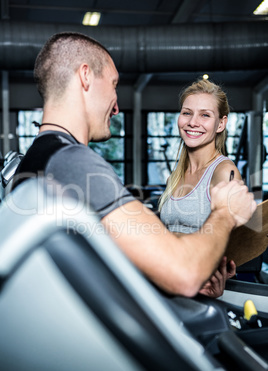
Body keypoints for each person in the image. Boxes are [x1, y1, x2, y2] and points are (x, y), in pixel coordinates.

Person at [12, 32, 256, 299]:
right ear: (85, 76)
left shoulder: (35, 158)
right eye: (114, 84)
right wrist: (224, 214)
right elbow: (183, 273)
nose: (116, 106)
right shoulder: (73, 163)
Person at [159, 79, 241, 235]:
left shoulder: (224, 173)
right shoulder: (175, 178)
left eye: (205, 115)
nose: (192, 122)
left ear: (220, 124)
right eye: (187, 113)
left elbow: (233, 245)